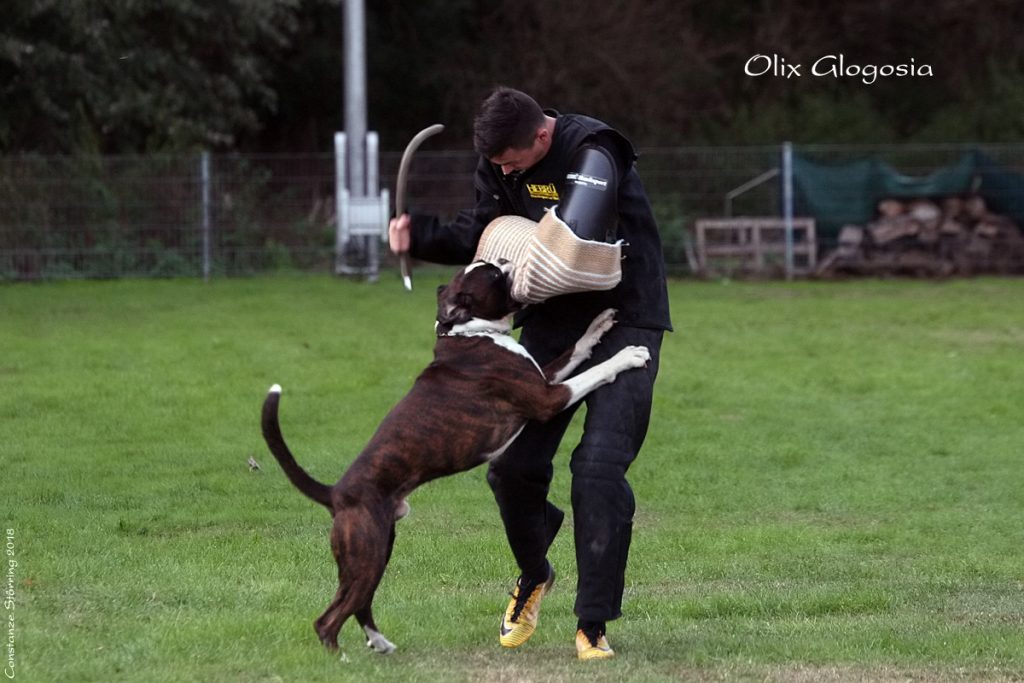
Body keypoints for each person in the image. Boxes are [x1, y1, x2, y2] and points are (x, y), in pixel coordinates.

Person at [388, 87, 672, 660]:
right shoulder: (500, 160)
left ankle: (593, 621)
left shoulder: (594, 150)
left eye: (511, 162)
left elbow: (574, 242)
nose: (503, 171)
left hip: (627, 317)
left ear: (542, 135)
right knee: (512, 467)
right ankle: (534, 573)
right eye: (496, 165)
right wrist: (419, 234)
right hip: (550, 325)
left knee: (597, 468)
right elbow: (481, 231)